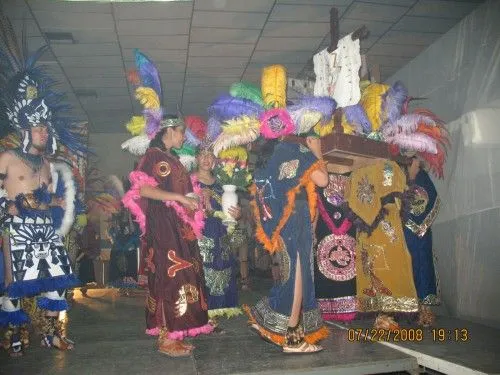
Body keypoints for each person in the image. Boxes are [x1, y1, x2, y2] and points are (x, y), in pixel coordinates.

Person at [0, 12, 86, 356]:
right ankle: (15, 337)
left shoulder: (48, 163)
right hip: (16, 229)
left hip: (45, 231)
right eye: (38, 128)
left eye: (46, 127)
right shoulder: (6, 158)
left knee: (58, 286)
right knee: (14, 288)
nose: (44, 131)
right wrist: (15, 207)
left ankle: (52, 334)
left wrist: (56, 205)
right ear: (24, 130)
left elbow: (48, 198)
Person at [245, 134, 329, 354]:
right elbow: (323, 180)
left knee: (289, 273)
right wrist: (317, 151)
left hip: (280, 221)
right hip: (295, 216)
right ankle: (292, 338)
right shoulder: (295, 150)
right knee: (297, 276)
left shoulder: (267, 153)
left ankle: (268, 321)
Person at [193, 145, 242, 321]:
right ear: (197, 158)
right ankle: (198, 317)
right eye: (202, 155)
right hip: (200, 233)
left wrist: (238, 213)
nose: (206, 159)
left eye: (210, 156)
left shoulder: (222, 182)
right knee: (200, 273)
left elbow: (232, 209)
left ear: (215, 160)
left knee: (222, 272)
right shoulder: (188, 181)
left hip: (221, 233)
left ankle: (213, 318)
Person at [403, 158, 441, 327]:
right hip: (405, 231)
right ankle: (408, 310)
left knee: (424, 266)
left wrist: (422, 225)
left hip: (422, 234)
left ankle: (425, 310)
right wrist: (408, 223)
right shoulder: (399, 175)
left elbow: (434, 201)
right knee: (406, 266)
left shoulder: (424, 177)